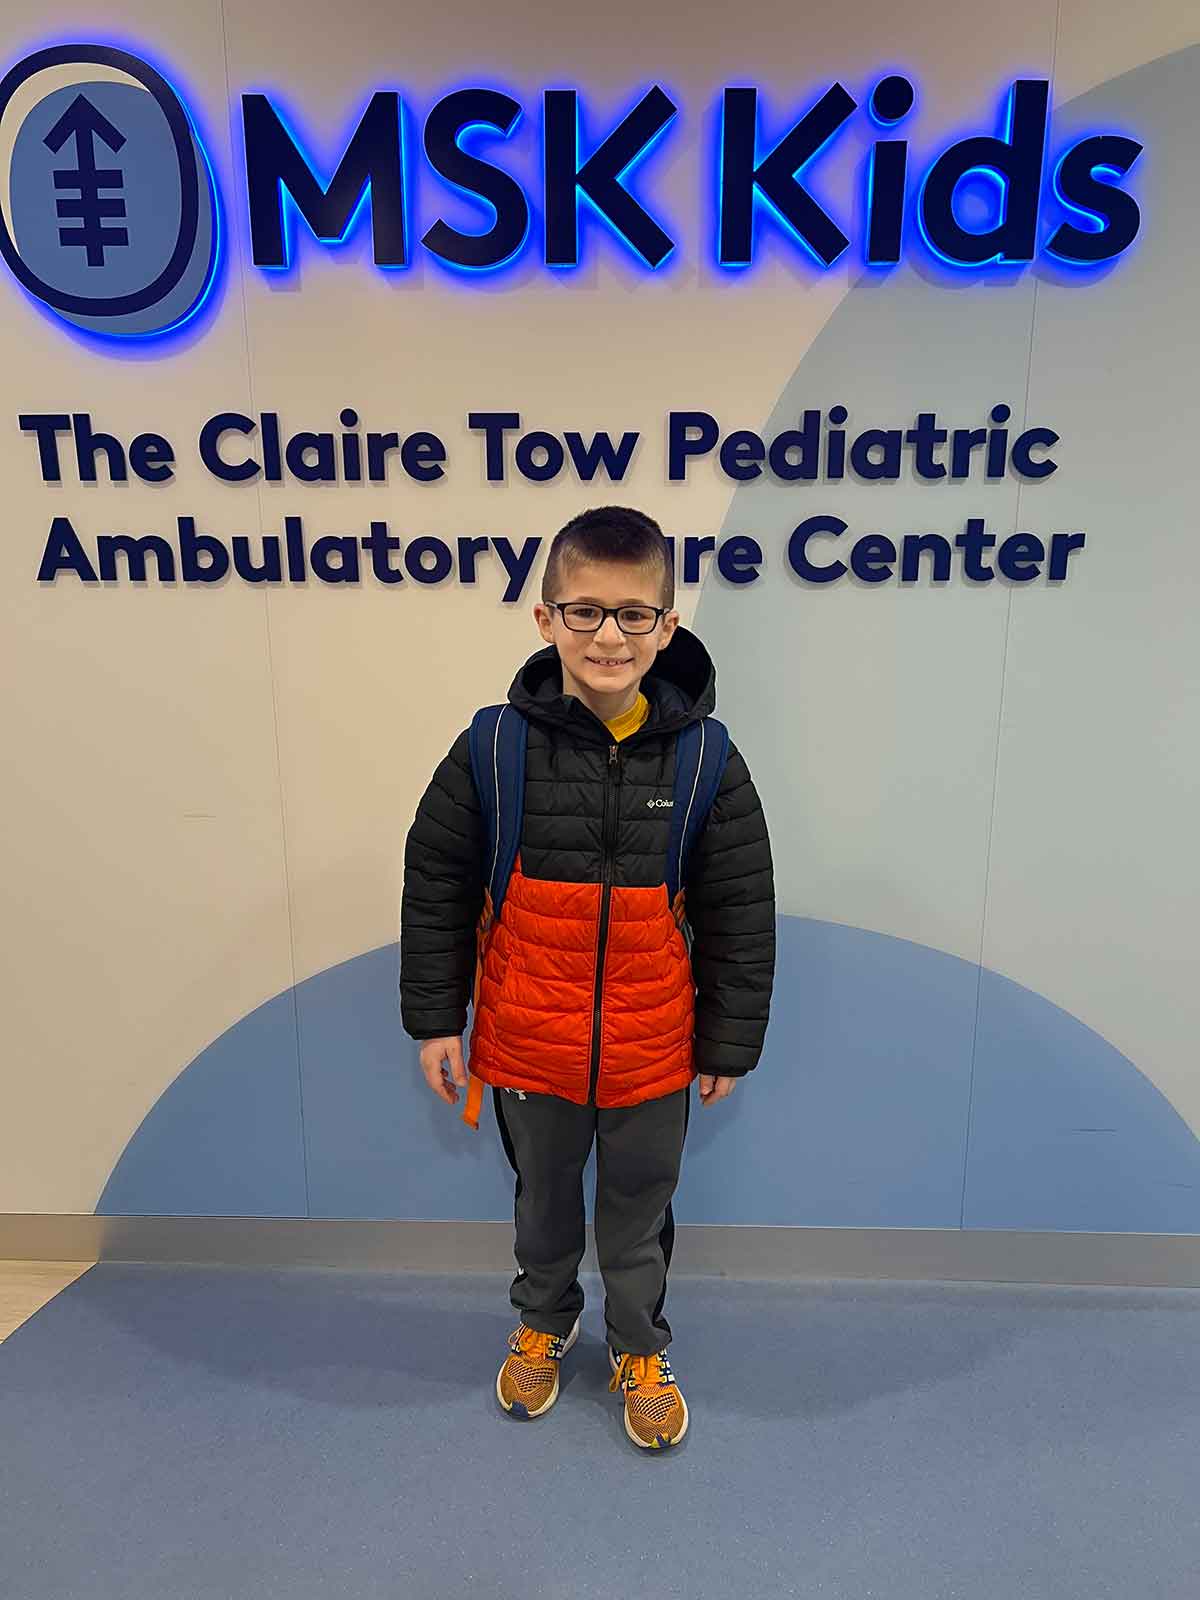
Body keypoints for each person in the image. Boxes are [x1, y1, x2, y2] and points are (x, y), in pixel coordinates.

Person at [399, 505, 776, 1450]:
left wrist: (728, 1041)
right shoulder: (493, 749)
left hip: (654, 1046)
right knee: (543, 1202)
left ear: (667, 625)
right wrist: (437, 1020)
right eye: (586, 612)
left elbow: (739, 909)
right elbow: (438, 883)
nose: (610, 635)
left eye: (633, 614)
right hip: (528, 1040)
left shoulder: (707, 758)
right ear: (546, 619)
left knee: (638, 1213)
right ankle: (544, 1320)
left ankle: (639, 1346)